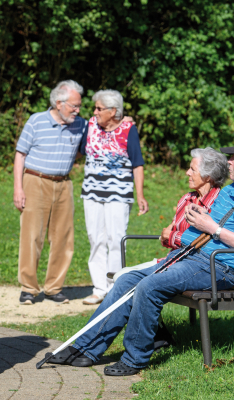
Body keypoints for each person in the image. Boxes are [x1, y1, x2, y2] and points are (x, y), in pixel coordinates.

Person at [47, 137, 234, 376]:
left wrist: (213, 228)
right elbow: (208, 223)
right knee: (127, 280)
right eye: (229, 157)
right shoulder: (230, 190)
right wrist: (198, 218)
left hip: (216, 267)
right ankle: (85, 349)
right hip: (189, 256)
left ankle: (135, 358)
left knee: (149, 285)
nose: (229, 162)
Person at [14, 80, 88, 305]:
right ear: (58, 103)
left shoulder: (81, 124)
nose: (77, 110)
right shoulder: (36, 121)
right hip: (35, 181)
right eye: (73, 106)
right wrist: (18, 188)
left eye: (79, 106)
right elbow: (20, 154)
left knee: (63, 238)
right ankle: (29, 288)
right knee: (32, 235)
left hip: (64, 184)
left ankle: (54, 287)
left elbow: (96, 137)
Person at [113, 147, 229, 280]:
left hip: (195, 268)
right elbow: (168, 237)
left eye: (193, 169)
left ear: (208, 176)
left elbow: (206, 244)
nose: (187, 173)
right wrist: (168, 236)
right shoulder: (186, 199)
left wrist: (171, 236)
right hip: (171, 261)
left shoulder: (219, 203)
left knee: (124, 278)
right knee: (122, 276)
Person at [80, 90, 149, 305]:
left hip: (118, 194)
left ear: (113, 111)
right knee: (95, 238)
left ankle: (114, 287)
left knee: (116, 238)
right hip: (91, 192)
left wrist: (140, 195)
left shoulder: (129, 129)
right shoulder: (90, 125)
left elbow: (137, 163)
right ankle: (99, 288)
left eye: (99, 108)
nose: (95, 112)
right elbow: (82, 149)